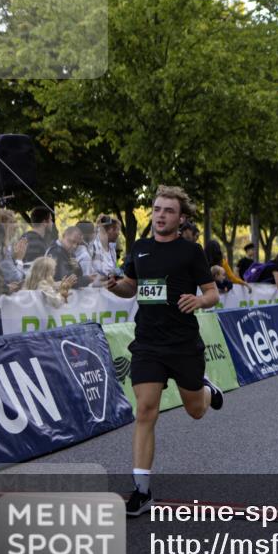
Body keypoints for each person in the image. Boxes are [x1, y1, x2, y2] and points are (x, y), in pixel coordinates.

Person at [105, 185, 224, 516]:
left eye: (168, 211)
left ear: (180, 217)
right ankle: (141, 491)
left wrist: (200, 300)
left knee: (196, 411)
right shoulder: (140, 248)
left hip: (183, 344)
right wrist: (117, 285)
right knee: (145, 411)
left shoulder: (191, 252)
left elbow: (212, 292)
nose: (161, 215)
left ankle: (204, 390)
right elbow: (132, 287)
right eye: (157, 209)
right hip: (147, 342)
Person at [91, 215, 122, 282]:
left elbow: (114, 269)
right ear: (110, 230)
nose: (119, 233)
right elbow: (96, 272)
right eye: (118, 230)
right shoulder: (93, 246)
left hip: (110, 288)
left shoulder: (112, 249)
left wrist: (123, 273)